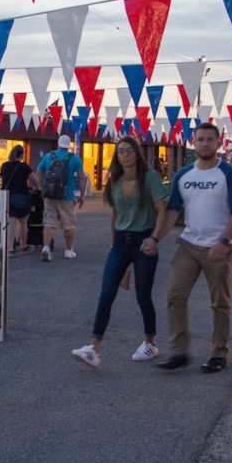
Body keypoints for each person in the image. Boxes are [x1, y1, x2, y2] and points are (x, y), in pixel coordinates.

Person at [145, 122, 232, 373]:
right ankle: (179, 352)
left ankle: (219, 353)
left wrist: (224, 242)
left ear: (218, 142)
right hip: (188, 245)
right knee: (175, 294)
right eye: (200, 139)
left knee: (220, 302)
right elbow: (172, 212)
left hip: (220, 247)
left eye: (210, 139)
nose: (205, 144)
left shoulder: (228, 174)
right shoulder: (184, 175)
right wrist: (155, 238)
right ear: (194, 142)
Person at [71, 136, 168, 369]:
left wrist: (155, 239)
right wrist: (114, 242)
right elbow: (116, 213)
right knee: (106, 293)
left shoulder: (149, 178)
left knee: (143, 295)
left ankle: (151, 343)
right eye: (120, 151)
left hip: (144, 240)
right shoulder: (115, 179)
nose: (124, 155)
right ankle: (93, 348)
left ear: (137, 153)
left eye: (129, 150)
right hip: (121, 243)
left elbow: (162, 209)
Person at [36, 135, 88, 262]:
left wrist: (41, 188)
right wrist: (82, 195)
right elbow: (81, 177)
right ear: (68, 146)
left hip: (49, 195)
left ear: (58, 144)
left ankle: (46, 248)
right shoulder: (75, 158)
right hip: (67, 196)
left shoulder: (48, 156)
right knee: (68, 224)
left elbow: (38, 172)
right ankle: (68, 250)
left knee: (49, 222)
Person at [0, 145, 34, 256]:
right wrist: (39, 188)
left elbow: (3, 180)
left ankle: (10, 249)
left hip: (8, 196)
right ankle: (23, 246)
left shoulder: (4, 166)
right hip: (22, 196)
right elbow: (34, 179)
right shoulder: (24, 167)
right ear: (21, 155)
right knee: (23, 222)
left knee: (11, 222)